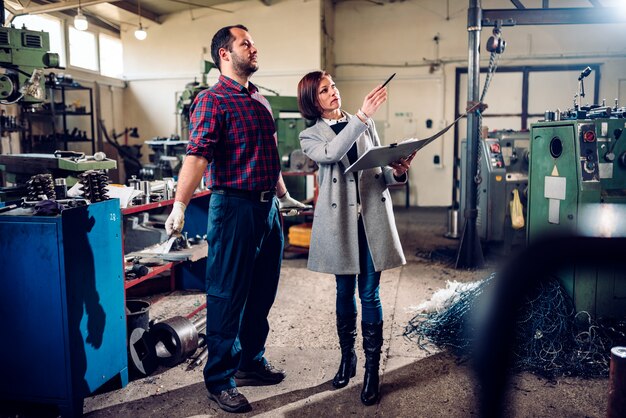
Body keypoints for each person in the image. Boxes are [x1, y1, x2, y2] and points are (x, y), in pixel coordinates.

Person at [165, 24, 307, 413]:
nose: (254, 47)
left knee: (261, 292)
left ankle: (249, 363)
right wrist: (180, 203)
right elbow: (197, 155)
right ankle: (220, 380)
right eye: (246, 43)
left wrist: (283, 195)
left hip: (267, 209)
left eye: (253, 42)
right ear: (225, 54)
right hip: (233, 208)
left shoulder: (257, 98)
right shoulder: (212, 101)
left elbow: (269, 154)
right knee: (227, 295)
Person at [296, 71, 414, 406]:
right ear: (312, 100)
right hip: (340, 224)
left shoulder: (363, 124)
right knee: (345, 290)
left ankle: (371, 370)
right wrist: (362, 117)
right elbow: (333, 153)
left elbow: (376, 169)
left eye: (333, 86)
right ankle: (348, 358)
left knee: (370, 294)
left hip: (371, 218)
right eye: (324, 90)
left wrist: (398, 171)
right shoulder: (310, 136)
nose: (333, 92)